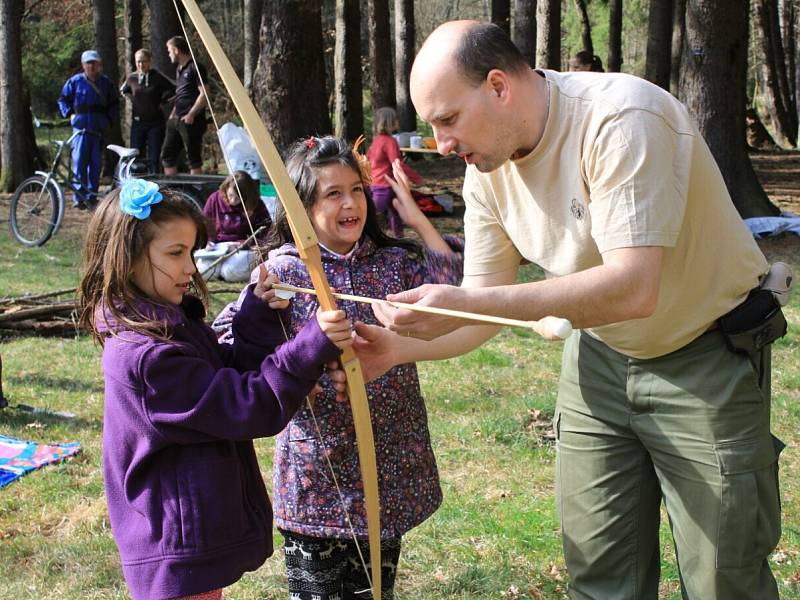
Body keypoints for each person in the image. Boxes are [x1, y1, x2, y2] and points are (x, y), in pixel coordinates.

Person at [353, 21, 784, 600]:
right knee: (600, 575)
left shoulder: (621, 119)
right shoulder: (487, 169)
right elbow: (483, 300)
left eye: (448, 119)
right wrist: (396, 349)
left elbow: (634, 287)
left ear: (499, 86)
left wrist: (469, 302)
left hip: (704, 355)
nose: (441, 143)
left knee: (722, 580)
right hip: (598, 361)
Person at [213, 135, 464, 600]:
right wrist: (260, 314)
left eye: (356, 190)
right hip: (315, 472)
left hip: (388, 464)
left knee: (374, 591)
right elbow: (228, 347)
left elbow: (453, 292)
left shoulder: (392, 263)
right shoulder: (282, 273)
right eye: (333, 194)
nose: (350, 204)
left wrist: (416, 220)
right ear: (301, 207)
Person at [77, 179, 353, 600]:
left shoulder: (170, 327)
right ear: (128, 259)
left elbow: (225, 374)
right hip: (173, 549)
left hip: (187, 541)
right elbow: (244, 404)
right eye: (175, 253)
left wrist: (254, 317)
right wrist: (309, 346)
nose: (191, 266)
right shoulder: (146, 357)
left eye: (190, 251)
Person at [57, 50, 119, 209]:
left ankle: (91, 196)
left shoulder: (106, 83)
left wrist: (108, 121)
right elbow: (63, 99)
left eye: (94, 63)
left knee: (95, 164)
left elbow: (114, 104)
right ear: (83, 65)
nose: (91, 66)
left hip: (98, 130)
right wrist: (69, 114)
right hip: (80, 130)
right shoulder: (74, 82)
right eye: (88, 63)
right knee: (79, 163)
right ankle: (79, 198)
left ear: (99, 64)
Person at [195, 170, 271, 282]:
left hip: (243, 249)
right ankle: (219, 270)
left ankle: (226, 271)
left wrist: (245, 244)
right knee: (204, 271)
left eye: (238, 198)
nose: (233, 200)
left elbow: (266, 231)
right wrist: (208, 241)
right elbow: (204, 224)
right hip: (217, 248)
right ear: (225, 189)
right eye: (230, 195)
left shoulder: (255, 204)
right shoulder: (215, 199)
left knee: (230, 272)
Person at [366, 107, 424, 237]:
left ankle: (399, 239)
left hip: (383, 184)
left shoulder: (376, 140)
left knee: (396, 213)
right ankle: (366, 240)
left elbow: (368, 160)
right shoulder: (389, 141)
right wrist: (416, 178)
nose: (398, 121)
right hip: (383, 186)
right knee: (372, 214)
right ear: (389, 122)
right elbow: (397, 165)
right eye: (396, 118)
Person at [120, 49, 175, 174]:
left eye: (144, 62)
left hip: (155, 123)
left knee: (154, 157)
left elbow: (175, 89)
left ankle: (155, 181)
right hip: (138, 123)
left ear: (150, 62)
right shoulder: (132, 78)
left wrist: (163, 101)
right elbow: (123, 90)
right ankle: (136, 181)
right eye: (138, 62)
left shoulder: (157, 76)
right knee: (135, 155)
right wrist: (131, 99)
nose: (141, 65)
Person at [161, 36, 207, 175]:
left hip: (191, 119)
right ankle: (172, 191)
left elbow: (204, 94)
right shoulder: (179, 69)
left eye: (169, 51)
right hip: (176, 118)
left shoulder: (195, 67)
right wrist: (173, 112)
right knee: (167, 154)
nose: (168, 54)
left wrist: (192, 114)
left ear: (176, 50)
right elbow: (182, 93)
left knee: (193, 158)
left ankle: (197, 191)